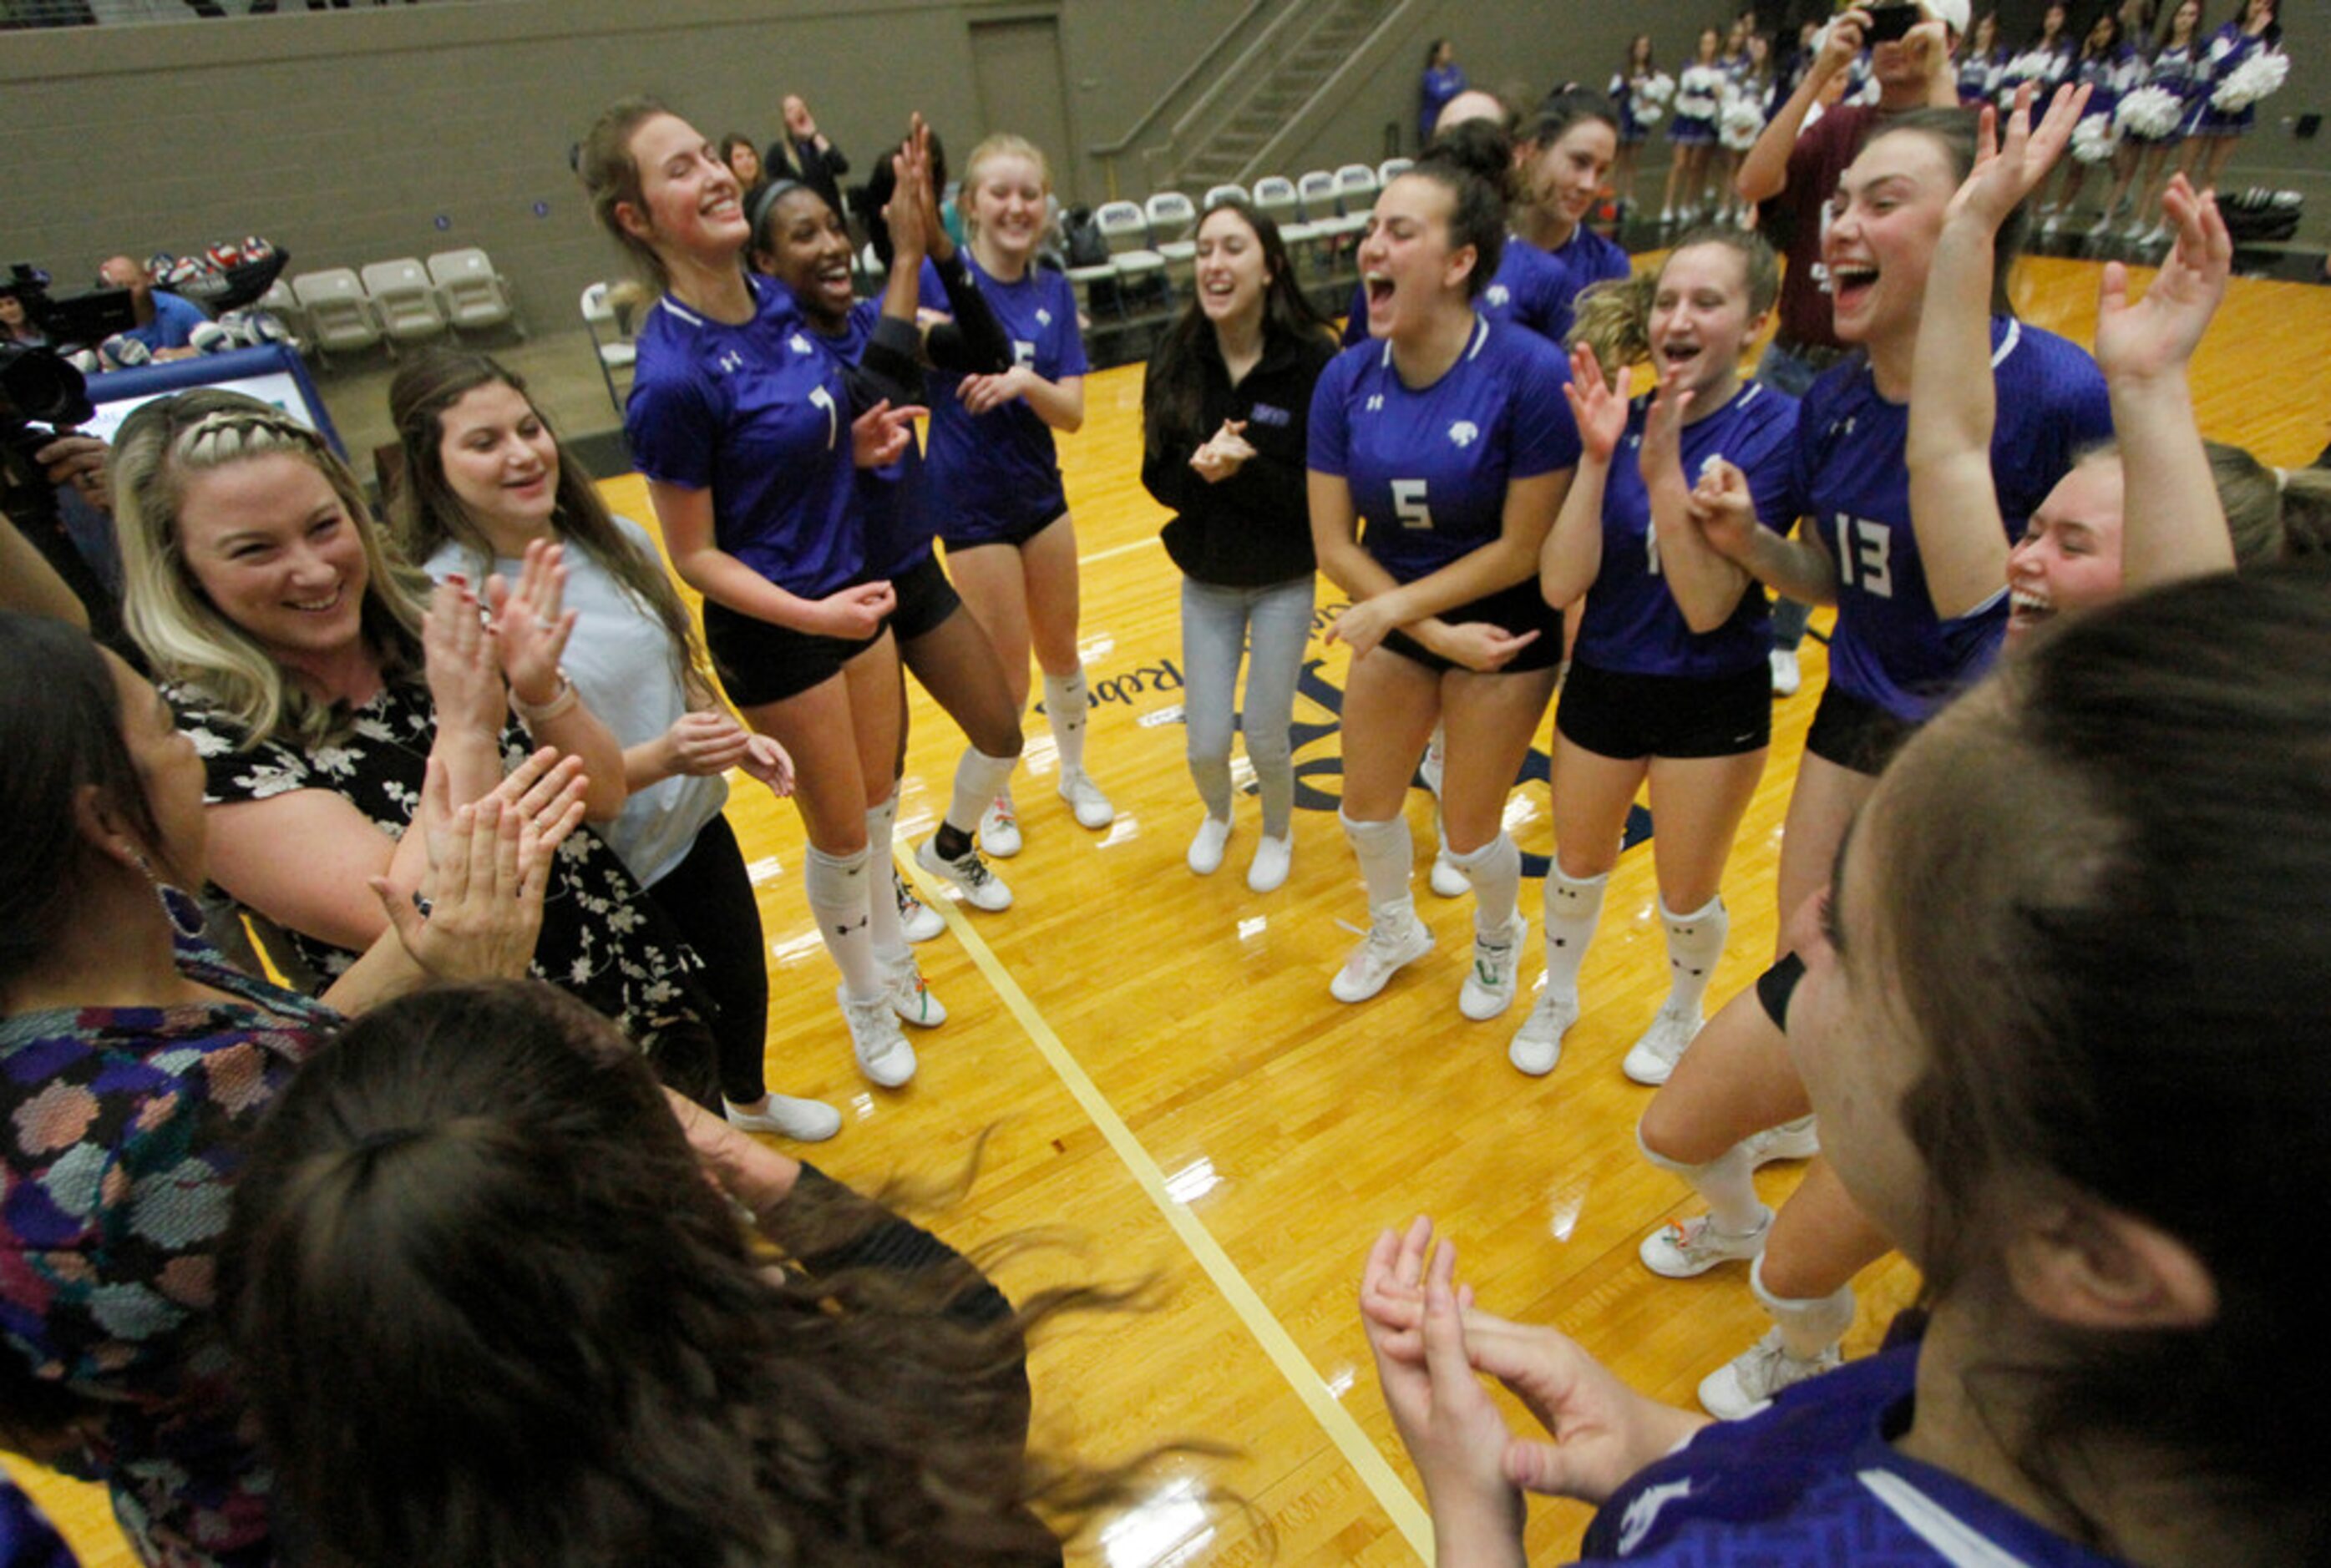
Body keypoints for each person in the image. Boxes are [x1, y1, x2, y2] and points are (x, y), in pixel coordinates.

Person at [1366, 551, 2331, 1565]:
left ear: (2084, 1255)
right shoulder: (2005, 1380)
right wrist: (1653, 1446)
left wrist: (1473, 1509)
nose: (1810, 924)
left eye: (1862, 951)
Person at [1634, 90, 2238, 1421]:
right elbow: (1898, 517)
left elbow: (2121, 565)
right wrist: (1750, 553)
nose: (1837, 222)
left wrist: (2143, 377)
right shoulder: (1842, 403)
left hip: (1989, 792)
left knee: (1888, 1227)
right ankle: (1816, 1152)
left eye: (1880, 200)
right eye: (1833, 201)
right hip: (1874, 720)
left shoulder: (2064, 408)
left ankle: (1834, 1297)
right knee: (1787, 992)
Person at [0, 609, 575, 1568]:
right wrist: (484, 997)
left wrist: (419, 951)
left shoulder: (121, 956)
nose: (193, 753)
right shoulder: (172, 1132)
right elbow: (471, 1240)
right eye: (170, 733)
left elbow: (287, 1048)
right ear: (105, 822)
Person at [220, 979, 1126, 1568]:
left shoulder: (325, 1515)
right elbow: (967, 1337)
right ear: (674, 1208)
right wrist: (742, 1160)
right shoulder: (822, 1476)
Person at [107, 389, 729, 1099]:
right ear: (181, 571)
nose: (313, 571)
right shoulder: (207, 744)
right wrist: (467, 733)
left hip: (629, 997)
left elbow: (604, 793)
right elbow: (409, 921)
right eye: (255, 550)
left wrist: (540, 690)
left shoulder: (427, 622)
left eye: (323, 527)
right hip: (480, 1078)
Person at [389, 347, 846, 1141]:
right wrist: (666, 756)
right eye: (485, 442)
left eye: (528, 429)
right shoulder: (449, 603)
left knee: (740, 993)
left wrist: (728, 735)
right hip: (602, 876)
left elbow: (674, 662)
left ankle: (751, 1101)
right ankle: (707, 1151)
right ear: (432, 468)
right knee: (654, 1056)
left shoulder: (618, 539)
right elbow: (533, 786)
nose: (523, 453)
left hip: (692, 830)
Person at [582, 98, 929, 1090]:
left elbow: (792, 444)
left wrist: (850, 446)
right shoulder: (673, 374)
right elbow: (693, 554)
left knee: (877, 803)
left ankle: (892, 962)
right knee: (838, 828)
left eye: (708, 153)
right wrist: (814, 616)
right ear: (636, 219)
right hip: (783, 629)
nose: (712, 174)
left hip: (847, 590)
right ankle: (863, 997)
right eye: (677, 169)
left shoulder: (775, 304)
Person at [1513, 229, 1795, 1081]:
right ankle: (1557, 992)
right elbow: (1562, 583)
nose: (1679, 318)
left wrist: (1664, 467)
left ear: (1753, 324)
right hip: (1605, 677)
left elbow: (1710, 607)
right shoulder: (1618, 414)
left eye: (1707, 302)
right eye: (1667, 299)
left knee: (1684, 891)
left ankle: (1680, 1012)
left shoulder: (1777, 427)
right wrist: (1601, 460)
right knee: (1576, 861)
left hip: (1713, 695)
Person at [1308, 144, 1579, 1017]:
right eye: (1371, 230)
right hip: (1412, 618)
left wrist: (1395, 610)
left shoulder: (1531, 374)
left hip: (1503, 628)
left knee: (1466, 836)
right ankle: (1396, 928)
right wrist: (1417, 625)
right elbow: (1331, 544)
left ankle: (1500, 936)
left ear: (1461, 262)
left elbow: (1523, 549)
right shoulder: (1344, 378)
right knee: (1364, 809)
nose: (1372, 248)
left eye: (1401, 231)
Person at [743, 125, 1026, 923]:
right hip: (842, 591)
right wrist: (903, 260)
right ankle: (882, 892)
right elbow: (874, 391)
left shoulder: (876, 313)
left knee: (1000, 731)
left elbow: (989, 349)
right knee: (878, 783)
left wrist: (938, 249)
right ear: (762, 262)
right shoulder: (783, 355)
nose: (831, 245)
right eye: (804, 235)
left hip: (913, 568)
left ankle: (952, 847)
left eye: (835, 227)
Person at [1735, 0, 1963, 696]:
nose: (1892, 41)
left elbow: (1973, 201)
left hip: (1887, 369)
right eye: (1881, 24)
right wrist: (1819, 74)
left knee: (1839, 518)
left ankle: (1783, 639)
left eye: (1909, 23)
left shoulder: (1959, 122)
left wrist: (1940, 68)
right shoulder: (1839, 125)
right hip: (1798, 349)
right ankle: (1732, 622)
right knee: (1753, 499)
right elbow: (1755, 184)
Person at [920, 132, 1113, 856]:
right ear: (969, 204)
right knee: (1002, 665)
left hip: (1040, 497)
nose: (1015, 205)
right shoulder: (944, 282)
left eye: (1028, 193)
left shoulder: (1053, 291)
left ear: (1045, 206)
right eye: (999, 192)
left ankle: (1073, 771)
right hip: (969, 506)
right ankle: (996, 796)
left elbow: (1072, 413)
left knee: (1060, 649)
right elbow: (892, 336)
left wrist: (1024, 382)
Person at [1141, 196, 1336, 893]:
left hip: (1284, 578)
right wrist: (1200, 471)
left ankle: (1278, 830)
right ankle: (1219, 815)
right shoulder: (1174, 354)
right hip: (1208, 580)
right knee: (1203, 742)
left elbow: (1321, 493)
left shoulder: (1314, 358)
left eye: (1232, 249)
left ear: (1270, 266)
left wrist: (1246, 469)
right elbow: (1154, 475)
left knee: (1264, 733)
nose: (1214, 264)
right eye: (1203, 251)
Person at [2111, 0, 2209, 240]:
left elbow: (2201, 83)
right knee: (2126, 170)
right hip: (2144, 112)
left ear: (2197, 20)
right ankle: (2108, 219)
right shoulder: (2158, 50)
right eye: (2181, 14)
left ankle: (2144, 222)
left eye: (2191, 15)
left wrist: (2175, 101)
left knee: (2152, 174)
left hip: (2166, 116)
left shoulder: (2197, 52)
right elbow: (2141, 80)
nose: (2184, 19)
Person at [2037, 13, 2139, 232]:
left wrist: (2111, 120)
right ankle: (2058, 213)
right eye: (2097, 30)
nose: (2101, 35)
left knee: (2120, 170)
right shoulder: (2087, 56)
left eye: (2106, 29)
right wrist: (2083, 56)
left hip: (2105, 119)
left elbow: (2123, 90)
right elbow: (2066, 81)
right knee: (2073, 169)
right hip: (2080, 116)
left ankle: (2109, 215)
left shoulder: (2121, 57)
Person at [2181, 0, 2279, 195]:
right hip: (2210, 103)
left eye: (2267, 5)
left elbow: (2267, 76)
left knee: (2213, 174)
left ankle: (2198, 220)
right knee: (2185, 171)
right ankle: (2165, 222)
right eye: (2257, 2)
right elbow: (2222, 63)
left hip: (2238, 107)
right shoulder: (2228, 30)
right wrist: (2250, 36)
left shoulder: (2271, 40)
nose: (2260, 8)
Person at [1661, 28, 1726, 225]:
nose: (1707, 47)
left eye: (1711, 42)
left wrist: (1715, 92)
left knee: (1696, 165)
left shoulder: (1719, 68)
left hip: (1705, 118)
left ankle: (1687, 203)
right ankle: (1667, 205)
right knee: (1679, 163)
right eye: (1704, 42)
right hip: (1686, 116)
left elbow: (1719, 93)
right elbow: (1685, 88)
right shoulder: (1689, 65)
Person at [95, 256, 209, 362]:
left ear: (147, 279)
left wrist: (178, 354)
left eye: (132, 284)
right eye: (119, 288)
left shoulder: (178, 308)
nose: (129, 293)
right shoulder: (104, 319)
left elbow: (215, 344)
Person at [764, 93, 850, 217]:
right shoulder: (778, 151)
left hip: (830, 213)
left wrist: (814, 135)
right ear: (785, 119)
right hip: (800, 215)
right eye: (791, 109)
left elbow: (842, 167)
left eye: (801, 106)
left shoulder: (820, 144)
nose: (798, 111)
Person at [1608, 36, 1664, 215]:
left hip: (1641, 118)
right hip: (1626, 116)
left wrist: (1651, 99)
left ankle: (1629, 195)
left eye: (1646, 47)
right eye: (1639, 47)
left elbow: (1662, 92)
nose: (1642, 50)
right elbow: (1613, 92)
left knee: (1633, 159)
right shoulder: (1624, 70)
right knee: (1619, 158)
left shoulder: (1653, 72)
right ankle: (1614, 195)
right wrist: (1628, 85)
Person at [1419, 38, 1467, 152]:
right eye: (1445, 51)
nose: (1449, 54)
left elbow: (1463, 87)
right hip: (1433, 124)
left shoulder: (1455, 71)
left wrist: (1452, 89)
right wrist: (1453, 88)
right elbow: (1439, 95)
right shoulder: (1430, 76)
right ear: (1436, 55)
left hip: (1452, 122)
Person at [717, 131, 768, 203]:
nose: (747, 161)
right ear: (728, 164)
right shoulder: (725, 200)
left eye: (750, 155)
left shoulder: (768, 194)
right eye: (739, 157)